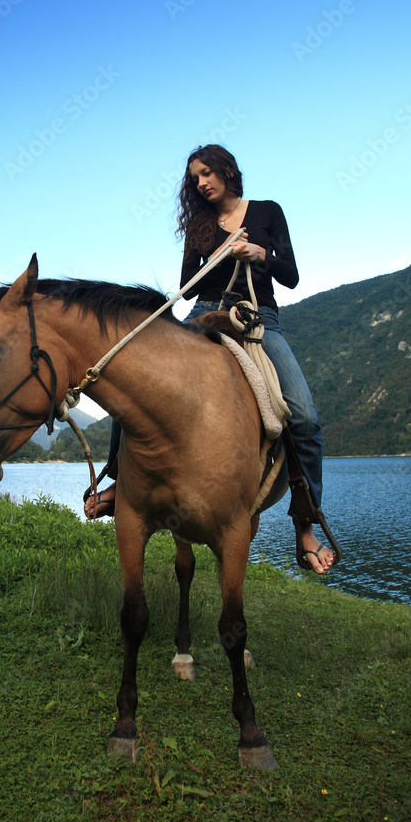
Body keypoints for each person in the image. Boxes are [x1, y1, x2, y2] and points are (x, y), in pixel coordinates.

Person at [85, 143, 334, 576]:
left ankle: (306, 523)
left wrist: (259, 254)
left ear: (228, 170)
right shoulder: (200, 224)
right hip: (202, 313)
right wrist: (217, 255)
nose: (201, 183)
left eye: (206, 173)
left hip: (259, 318)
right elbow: (187, 284)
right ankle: (117, 478)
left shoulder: (268, 212)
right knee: (133, 379)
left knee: (306, 417)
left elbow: (291, 276)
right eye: (194, 178)